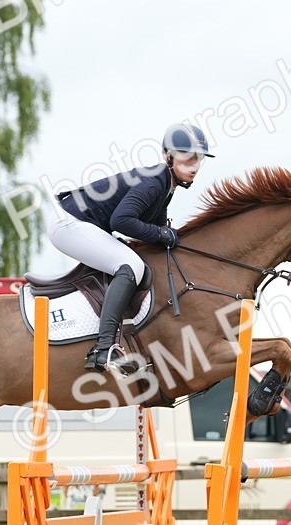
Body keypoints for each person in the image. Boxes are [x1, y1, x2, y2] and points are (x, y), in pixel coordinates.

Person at [48, 123, 214, 375]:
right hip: (69, 223)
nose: (195, 165)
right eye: (187, 156)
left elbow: (156, 228)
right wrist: (161, 234)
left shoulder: (166, 185)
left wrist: (168, 237)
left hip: (83, 222)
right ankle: (103, 348)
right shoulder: (154, 182)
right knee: (130, 266)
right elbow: (121, 221)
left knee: (137, 261)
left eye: (199, 158)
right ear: (168, 156)